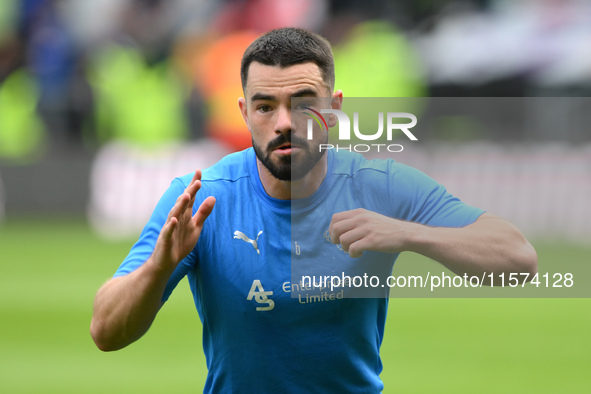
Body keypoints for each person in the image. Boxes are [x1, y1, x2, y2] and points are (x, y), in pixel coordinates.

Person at [90, 27, 537, 393]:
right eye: (265, 107)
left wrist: (407, 233)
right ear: (245, 113)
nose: (284, 123)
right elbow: (105, 332)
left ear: (334, 108)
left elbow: (519, 260)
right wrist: (158, 267)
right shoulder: (202, 198)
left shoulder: (378, 185)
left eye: (303, 104)